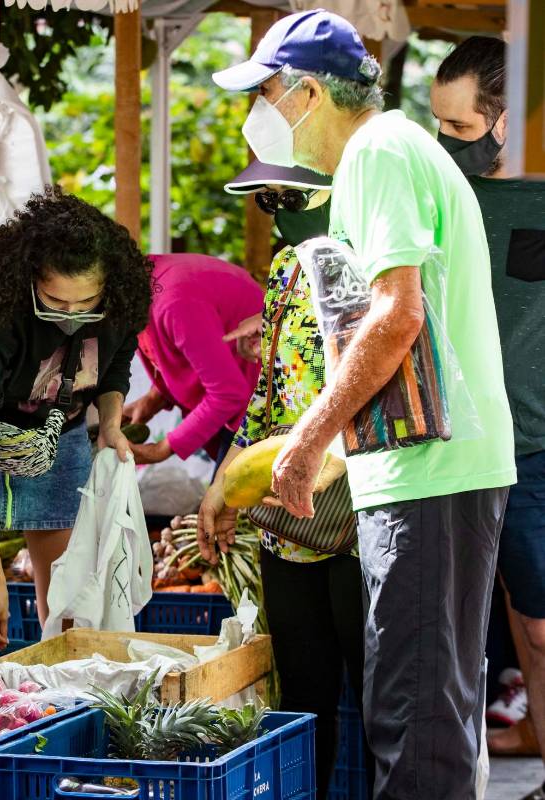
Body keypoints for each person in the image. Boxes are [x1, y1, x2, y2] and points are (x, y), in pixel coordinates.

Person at [213, 10, 515, 799]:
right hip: (422, 472)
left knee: (413, 728)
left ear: (306, 93)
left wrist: (308, 439)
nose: (257, 117)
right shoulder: (382, 156)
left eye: (265, 94)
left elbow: (397, 313)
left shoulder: (379, 149)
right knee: (418, 717)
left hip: (431, 475)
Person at [199, 161, 373, 799]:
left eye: (290, 195)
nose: (278, 209)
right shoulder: (284, 267)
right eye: (268, 199)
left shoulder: (376, 259)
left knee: (382, 703)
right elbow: (268, 391)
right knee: (301, 700)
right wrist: (225, 479)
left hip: (363, 517)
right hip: (285, 521)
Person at [0, 188, 152, 649]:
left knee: (67, 616)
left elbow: (116, 363)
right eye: (56, 303)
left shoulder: (121, 304)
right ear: (27, 281)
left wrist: (109, 425)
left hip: (56, 431)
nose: (72, 316)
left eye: (86, 305)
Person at [433, 36, 545, 793]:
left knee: (536, 621)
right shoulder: (441, 194)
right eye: (438, 126)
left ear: (505, 123)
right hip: (464, 445)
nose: (446, 145)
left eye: (462, 131)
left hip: (536, 445)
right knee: (512, 620)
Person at [122, 254, 262, 468]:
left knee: (222, 500)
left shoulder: (174, 303)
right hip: (242, 406)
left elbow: (228, 393)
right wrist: (154, 398)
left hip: (260, 411)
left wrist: (162, 449)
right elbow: (185, 353)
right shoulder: (140, 288)